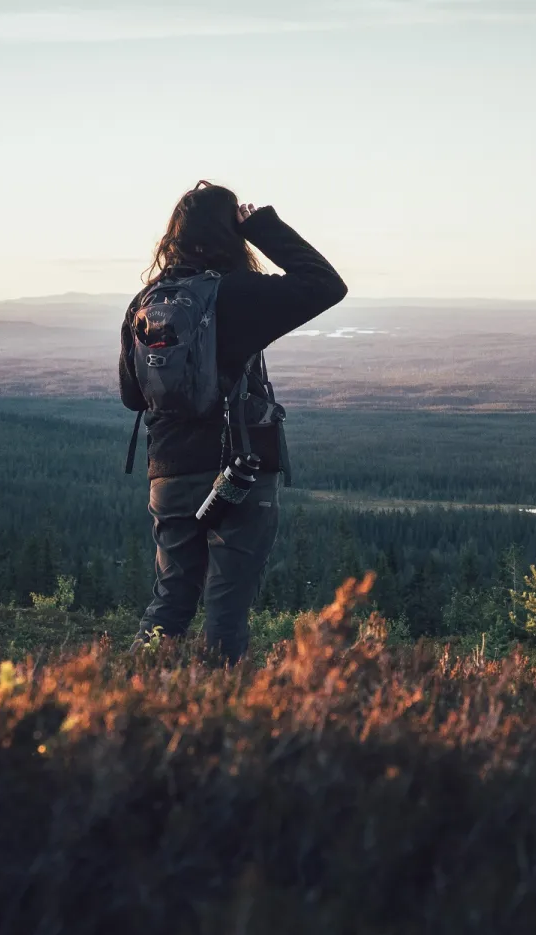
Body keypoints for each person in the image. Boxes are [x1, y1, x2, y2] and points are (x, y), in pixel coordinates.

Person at [119, 182, 347, 663]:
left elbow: (131, 396)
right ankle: (226, 720)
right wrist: (264, 226)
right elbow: (327, 285)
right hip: (239, 470)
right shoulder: (236, 294)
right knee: (226, 607)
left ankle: (129, 698)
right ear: (231, 234)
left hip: (170, 472)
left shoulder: (146, 302)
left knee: (170, 599)